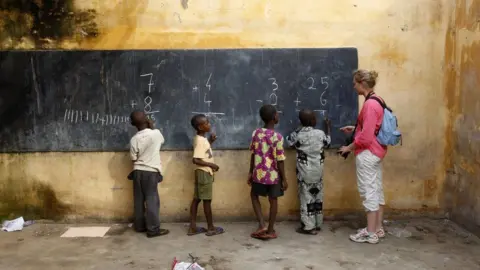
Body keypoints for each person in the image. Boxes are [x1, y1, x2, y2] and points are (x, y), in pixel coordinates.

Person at [338, 69, 388, 244]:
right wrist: (355, 128)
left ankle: (371, 233)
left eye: (354, 83)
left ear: (361, 83)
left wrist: (348, 148)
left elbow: (366, 139)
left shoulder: (369, 105)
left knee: (369, 192)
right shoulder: (377, 100)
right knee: (376, 189)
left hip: (368, 154)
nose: (353, 86)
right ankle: (378, 228)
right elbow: (372, 128)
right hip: (377, 151)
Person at [286, 109, 331, 235]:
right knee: (318, 196)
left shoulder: (298, 135)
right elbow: (328, 142)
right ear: (313, 121)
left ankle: (308, 226)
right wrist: (328, 128)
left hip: (305, 174)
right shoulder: (320, 134)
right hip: (318, 172)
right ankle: (317, 223)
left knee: (306, 198)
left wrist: (298, 128)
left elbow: (289, 142)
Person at [248, 104, 288, 240]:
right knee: (273, 200)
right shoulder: (278, 137)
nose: (278, 116)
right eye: (277, 114)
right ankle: (270, 230)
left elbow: (253, 154)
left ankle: (261, 224)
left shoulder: (256, 133)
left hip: (259, 172)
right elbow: (280, 159)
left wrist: (250, 172)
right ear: (273, 117)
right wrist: (284, 179)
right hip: (273, 175)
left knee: (254, 195)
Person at [128, 110, 169, 238]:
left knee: (138, 200)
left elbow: (134, 158)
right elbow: (161, 141)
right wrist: (150, 125)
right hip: (150, 172)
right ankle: (153, 230)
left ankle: (140, 226)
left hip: (137, 171)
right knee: (152, 200)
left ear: (133, 124)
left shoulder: (134, 139)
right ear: (147, 119)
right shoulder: (156, 134)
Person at [188, 114, 225, 236]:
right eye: (206, 123)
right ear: (200, 127)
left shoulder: (201, 139)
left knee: (197, 199)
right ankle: (211, 228)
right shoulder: (200, 140)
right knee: (207, 201)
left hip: (202, 173)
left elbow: (203, 151)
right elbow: (196, 160)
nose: (209, 124)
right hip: (204, 173)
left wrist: (211, 141)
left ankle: (192, 227)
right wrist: (212, 165)